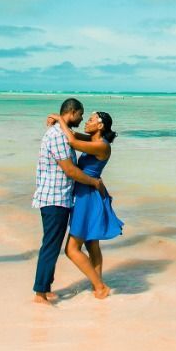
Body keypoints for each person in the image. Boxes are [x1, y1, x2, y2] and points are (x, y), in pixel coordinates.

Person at [31, 98, 108, 305]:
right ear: (72, 112)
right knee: (51, 246)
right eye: (81, 115)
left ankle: (45, 289)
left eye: (88, 118)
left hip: (63, 197)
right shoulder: (58, 135)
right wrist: (94, 182)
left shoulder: (64, 133)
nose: (82, 119)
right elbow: (70, 170)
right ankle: (40, 293)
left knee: (57, 244)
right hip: (55, 197)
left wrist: (58, 119)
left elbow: (77, 139)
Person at [46, 109, 123, 299]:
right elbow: (72, 134)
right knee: (91, 244)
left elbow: (72, 142)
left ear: (100, 125)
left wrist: (59, 118)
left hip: (87, 197)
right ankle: (98, 285)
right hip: (86, 192)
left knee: (71, 249)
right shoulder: (93, 140)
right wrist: (61, 122)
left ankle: (100, 286)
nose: (86, 122)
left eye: (90, 119)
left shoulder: (102, 146)